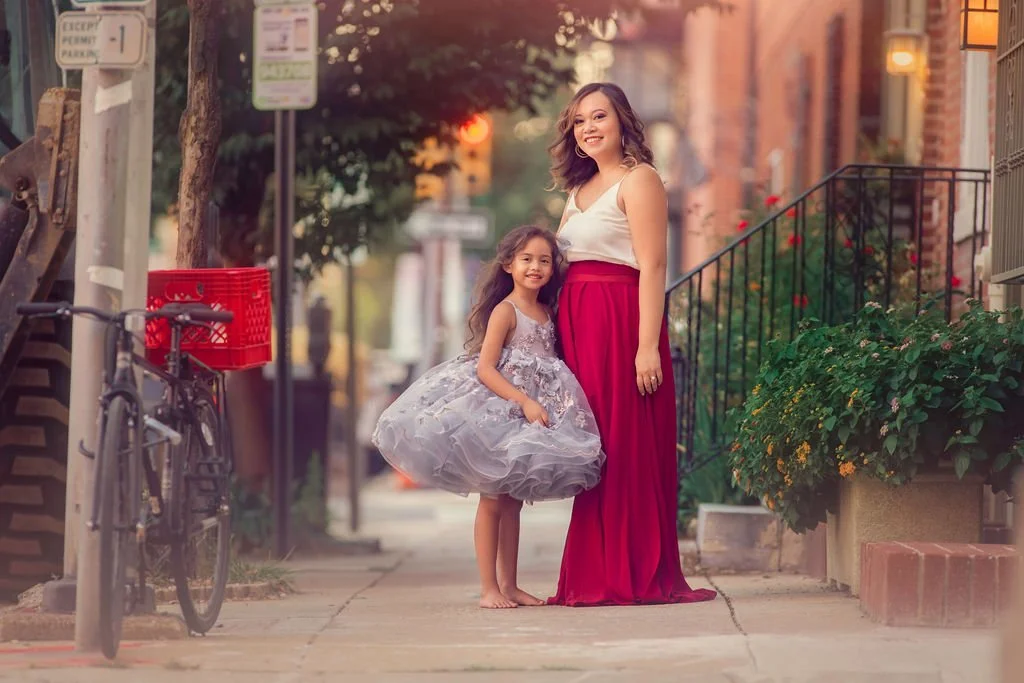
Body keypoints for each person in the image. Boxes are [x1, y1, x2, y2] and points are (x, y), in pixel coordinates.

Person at [372, 226, 605, 609]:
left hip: (531, 414)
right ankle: (488, 588)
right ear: (509, 264)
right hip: (502, 412)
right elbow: (486, 368)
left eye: (544, 260)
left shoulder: (548, 312)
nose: (535, 267)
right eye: (527, 259)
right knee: (493, 499)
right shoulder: (505, 311)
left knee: (512, 501)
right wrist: (524, 401)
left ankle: (510, 585)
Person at [548, 82, 717, 606]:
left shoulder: (639, 180)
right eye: (580, 121)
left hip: (622, 324)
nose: (590, 128)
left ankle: (630, 569)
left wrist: (647, 346)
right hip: (578, 327)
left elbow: (653, 266)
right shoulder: (576, 194)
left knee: (622, 444)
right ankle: (593, 570)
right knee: (591, 446)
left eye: (599, 117)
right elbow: (559, 266)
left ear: (622, 122)